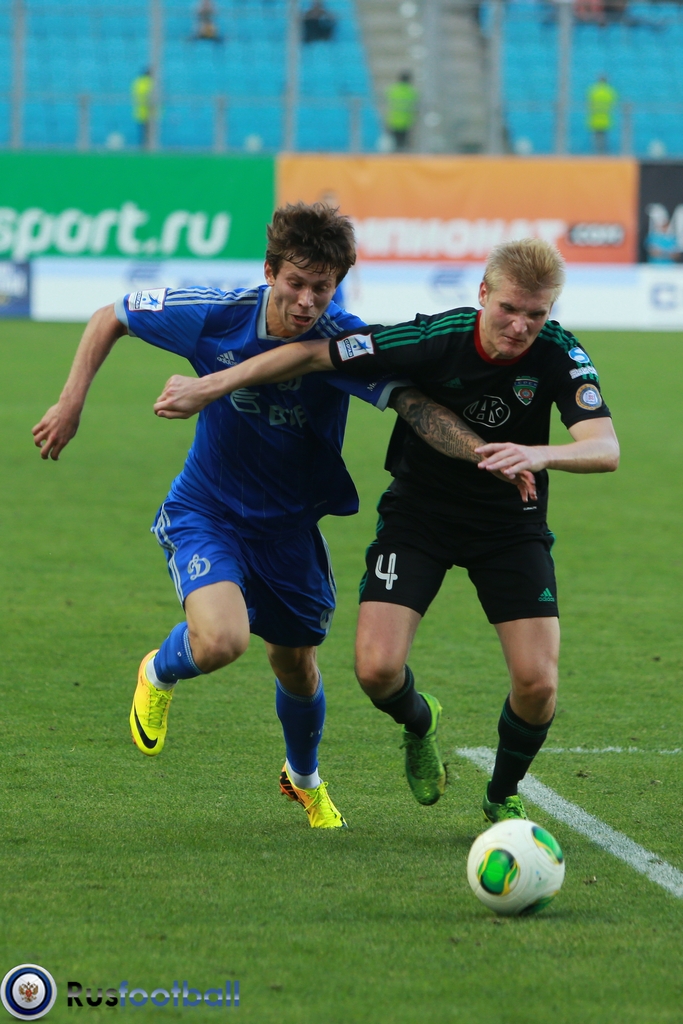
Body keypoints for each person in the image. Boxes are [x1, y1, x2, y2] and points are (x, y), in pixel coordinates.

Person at [32, 203, 514, 830]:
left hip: (289, 531)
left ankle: (303, 779)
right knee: (222, 640)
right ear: (269, 272)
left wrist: (481, 452)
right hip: (208, 510)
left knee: (297, 666)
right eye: (296, 282)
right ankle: (158, 668)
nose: (308, 300)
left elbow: (411, 404)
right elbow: (111, 316)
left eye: (323, 287)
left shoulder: (343, 340)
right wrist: (70, 404)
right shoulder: (216, 315)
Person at [153, 239, 619, 823]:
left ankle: (502, 794)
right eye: (509, 309)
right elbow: (313, 355)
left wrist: (538, 454)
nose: (521, 326)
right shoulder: (434, 338)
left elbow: (605, 448)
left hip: (509, 527)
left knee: (537, 683)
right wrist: (213, 385)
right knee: (375, 671)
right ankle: (420, 723)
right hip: (418, 517)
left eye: (537, 313)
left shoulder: (559, 352)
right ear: (483, 294)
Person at [385, 72, 418, 152]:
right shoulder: (412, 92)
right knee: (404, 143)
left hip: (393, 120)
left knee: (394, 143)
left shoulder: (393, 90)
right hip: (407, 121)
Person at [587, 75, 618, 154]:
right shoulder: (610, 91)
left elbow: (589, 104)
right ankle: (603, 154)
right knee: (604, 138)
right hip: (606, 118)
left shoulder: (593, 90)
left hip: (595, 118)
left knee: (596, 138)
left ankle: (597, 153)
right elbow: (613, 104)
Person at [131, 69, 154, 149]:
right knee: (150, 135)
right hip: (150, 113)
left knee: (142, 135)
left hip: (140, 112)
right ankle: (149, 149)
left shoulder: (138, 82)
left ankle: (143, 149)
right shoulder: (151, 82)